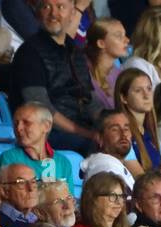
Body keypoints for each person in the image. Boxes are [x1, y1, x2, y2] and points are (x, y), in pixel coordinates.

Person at [9, 0, 100, 155]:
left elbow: (90, 100)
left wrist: (109, 124)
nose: (53, 14)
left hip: (82, 127)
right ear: (38, 14)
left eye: (61, 7)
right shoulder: (29, 52)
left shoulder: (76, 51)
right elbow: (42, 108)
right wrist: (85, 133)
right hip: (50, 132)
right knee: (96, 146)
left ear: (72, 13)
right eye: (46, 7)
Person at [0, 103, 75, 184]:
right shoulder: (9, 158)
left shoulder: (62, 162)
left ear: (46, 126)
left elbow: (68, 196)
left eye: (26, 123)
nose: (19, 128)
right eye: (16, 123)